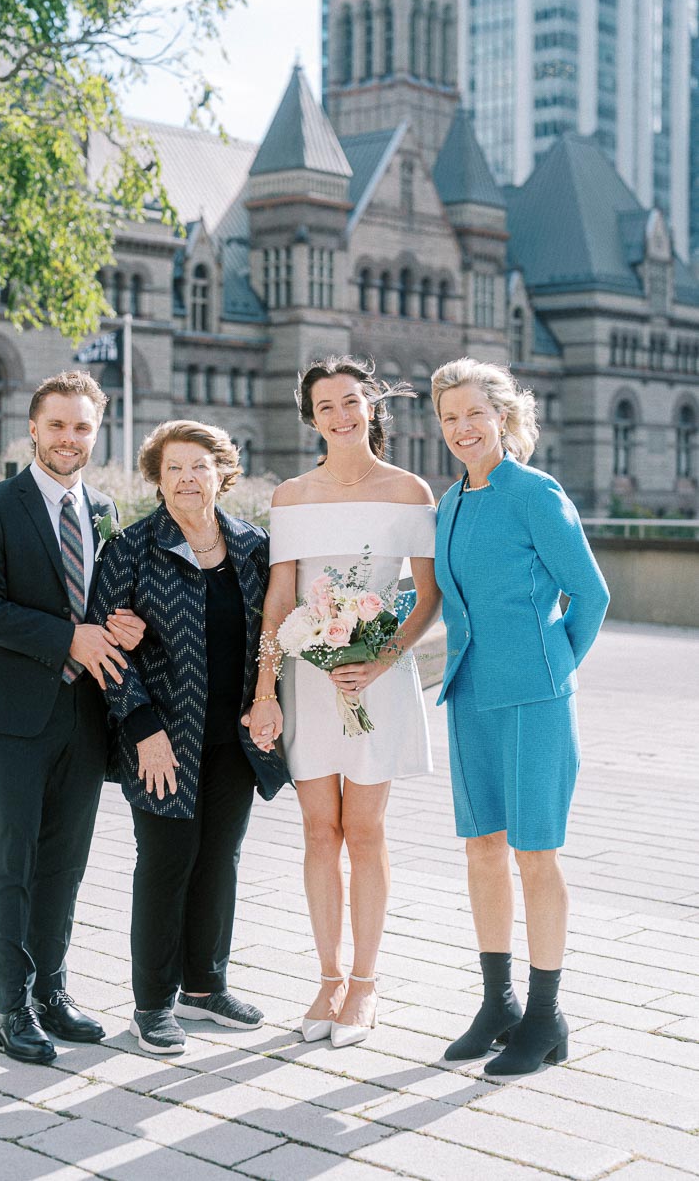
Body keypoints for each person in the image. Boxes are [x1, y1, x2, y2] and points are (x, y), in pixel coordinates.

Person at [247, 357, 441, 1047]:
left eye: (351, 401)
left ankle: (365, 985)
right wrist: (265, 690)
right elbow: (279, 601)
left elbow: (426, 595)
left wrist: (382, 658)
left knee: (365, 831)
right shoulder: (292, 497)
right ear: (312, 417)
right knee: (317, 832)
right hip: (307, 679)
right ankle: (327, 978)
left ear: (371, 407)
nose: (340, 414)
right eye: (325, 405)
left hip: (377, 681)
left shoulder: (408, 490)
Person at [0, 370, 145, 1064]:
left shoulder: (104, 509)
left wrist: (123, 624)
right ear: (33, 428)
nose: (70, 438)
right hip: (16, 718)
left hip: (86, 715)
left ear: (97, 433)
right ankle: (11, 1007)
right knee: (11, 863)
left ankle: (52, 992)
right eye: (58, 425)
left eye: (83, 427)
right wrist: (68, 637)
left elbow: (107, 603)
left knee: (65, 864)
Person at [88, 419, 290, 1055]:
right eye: (173, 468)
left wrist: (269, 701)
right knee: (167, 862)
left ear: (221, 474)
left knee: (219, 859)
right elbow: (105, 651)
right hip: (163, 736)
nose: (186, 479)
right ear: (157, 478)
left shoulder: (253, 546)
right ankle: (151, 1005)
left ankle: (204, 988)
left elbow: (274, 631)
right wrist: (142, 727)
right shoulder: (130, 549)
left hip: (235, 736)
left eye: (198, 466)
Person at [431, 357, 609, 1077]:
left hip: (534, 702)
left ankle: (546, 1014)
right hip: (468, 698)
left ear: (503, 417)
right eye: (449, 417)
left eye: (475, 413)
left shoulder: (536, 493)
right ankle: (497, 1001)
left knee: (535, 854)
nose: (462, 428)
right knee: (481, 851)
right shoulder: (450, 503)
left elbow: (590, 596)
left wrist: (552, 670)